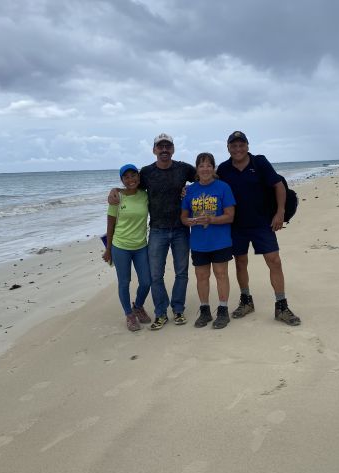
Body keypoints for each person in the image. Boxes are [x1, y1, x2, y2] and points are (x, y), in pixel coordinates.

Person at [109, 134, 196, 330]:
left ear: (173, 149)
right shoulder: (146, 172)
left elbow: (205, 178)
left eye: (168, 146)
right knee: (156, 276)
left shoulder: (184, 168)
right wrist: (113, 189)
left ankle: (178, 309)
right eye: (160, 146)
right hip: (157, 231)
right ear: (154, 150)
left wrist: (189, 190)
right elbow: (129, 186)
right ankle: (161, 313)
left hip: (181, 229)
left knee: (181, 273)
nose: (164, 149)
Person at [216, 131, 301, 326]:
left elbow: (278, 186)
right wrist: (189, 189)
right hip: (236, 225)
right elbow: (210, 184)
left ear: (247, 146)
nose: (238, 149)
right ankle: (246, 301)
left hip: (263, 222)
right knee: (240, 262)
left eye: (241, 145)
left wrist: (280, 213)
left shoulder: (259, 162)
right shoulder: (224, 168)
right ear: (228, 148)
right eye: (233, 145)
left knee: (274, 261)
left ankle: (281, 306)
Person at [181, 153, 236, 329]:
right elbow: (183, 216)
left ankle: (223, 310)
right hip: (198, 242)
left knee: (221, 274)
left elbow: (230, 216)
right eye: (201, 165)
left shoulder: (223, 187)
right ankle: (204, 310)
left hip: (220, 240)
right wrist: (188, 221)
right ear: (197, 169)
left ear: (214, 168)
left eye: (208, 165)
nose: (205, 169)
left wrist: (211, 220)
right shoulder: (189, 190)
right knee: (201, 276)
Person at [102, 164, 152, 331]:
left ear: (139, 177)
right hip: (120, 246)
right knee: (124, 282)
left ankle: (138, 306)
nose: (131, 179)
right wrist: (108, 249)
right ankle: (129, 314)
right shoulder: (117, 198)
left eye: (134, 175)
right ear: (122, 180)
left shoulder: (145, 195)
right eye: (127, 177)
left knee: (146, 281)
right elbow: (110, 225)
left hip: (141, 246)